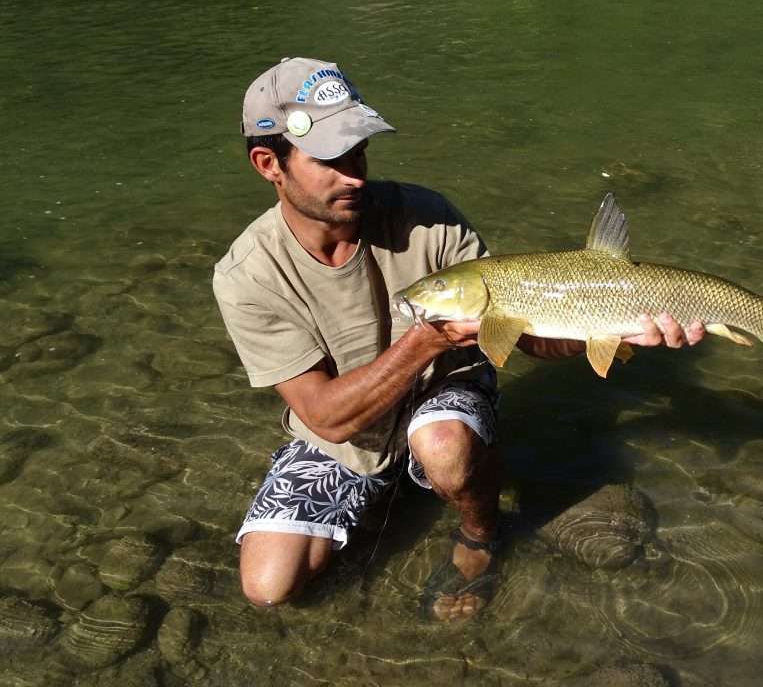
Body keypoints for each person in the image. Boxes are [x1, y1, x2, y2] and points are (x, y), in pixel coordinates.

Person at [212, 57, 706, 623]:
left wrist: (608, 327)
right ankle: (392, 486)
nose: (354, 173)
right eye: (329, 158)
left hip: (442, 394)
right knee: (269, 586)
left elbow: (532, 338)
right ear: (267, 163)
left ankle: (480, 532)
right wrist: (428, 337)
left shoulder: (428, 216)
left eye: (358, 151)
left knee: (444, 446)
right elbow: (326, 417)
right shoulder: (246, 276)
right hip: (342, 431)